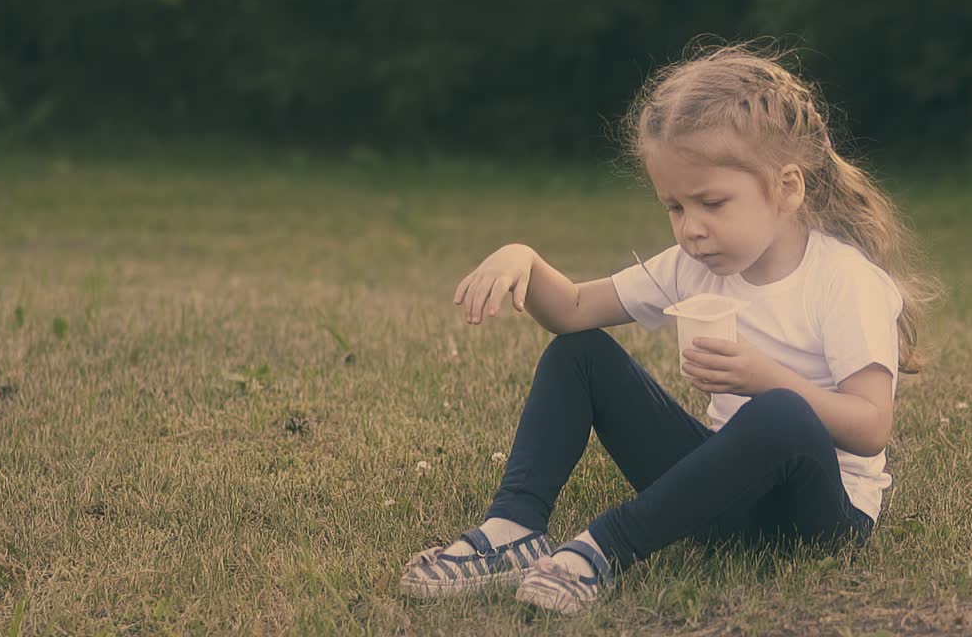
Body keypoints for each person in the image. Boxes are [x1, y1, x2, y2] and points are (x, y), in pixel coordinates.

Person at [398, 40, 940, 614]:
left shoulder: (843, 282)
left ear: (787, 187)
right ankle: (514, 527)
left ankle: (605, 548)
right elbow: (576, 310)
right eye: (675, 208)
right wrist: (524, 261)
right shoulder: (692, 266)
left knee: (782, 413)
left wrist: (766, 378)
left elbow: (872, 426)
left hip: (817, 518)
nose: (691, 230)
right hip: (717, 497)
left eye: (712, 203)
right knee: (578, 352)